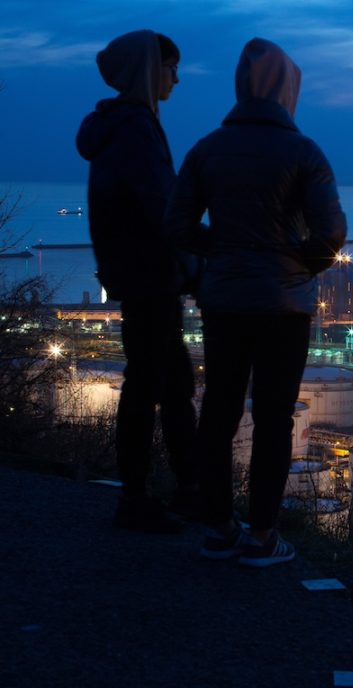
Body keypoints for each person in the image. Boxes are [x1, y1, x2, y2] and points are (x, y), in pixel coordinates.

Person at [166, 38, 347, 567]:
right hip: (284, 306)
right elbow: (332, 229)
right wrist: (299, 263)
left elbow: (175, 225)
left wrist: (219, 254)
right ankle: (263, 534)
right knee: (273, 419)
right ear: (289, 92)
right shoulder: (304, 151)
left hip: (223, 301)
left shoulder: (206, 149)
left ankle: (219, 526)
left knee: (217, 411)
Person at [76, 30, 199, 534]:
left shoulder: (118, 126)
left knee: (168, 382)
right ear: (150, 71)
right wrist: (199, 257)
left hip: (138, 273)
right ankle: (144, 496)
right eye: (170, 67)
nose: (176, 77)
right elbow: (162, 207)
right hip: (151, 275)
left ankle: (180, 489)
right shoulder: (136, 128)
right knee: (153, 384)